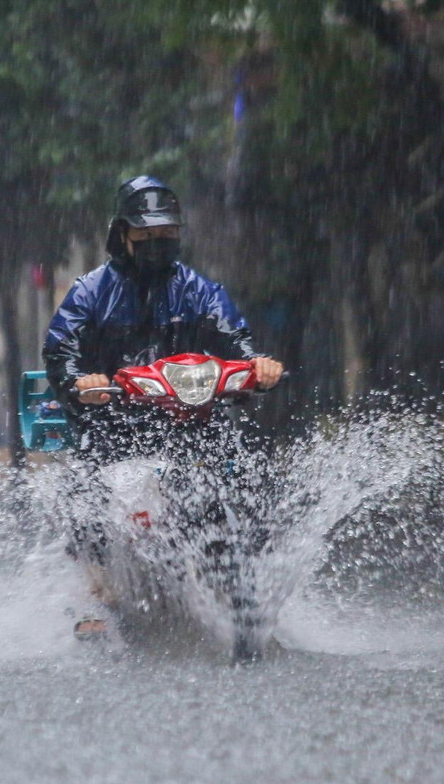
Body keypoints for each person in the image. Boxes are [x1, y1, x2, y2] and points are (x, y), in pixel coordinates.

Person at [42, 176, 283, 637]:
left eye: (166, 234)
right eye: (146, 235)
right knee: (83, 488)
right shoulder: (90, 292)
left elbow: (233, 337)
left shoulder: (200, 290)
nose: (157, 244)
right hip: (112, 422)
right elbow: (60, 349)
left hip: (185, 420)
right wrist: (81, 381)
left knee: (238, 471)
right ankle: (97, 593)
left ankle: (236, 579)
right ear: (123, 236)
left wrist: (256, 365)